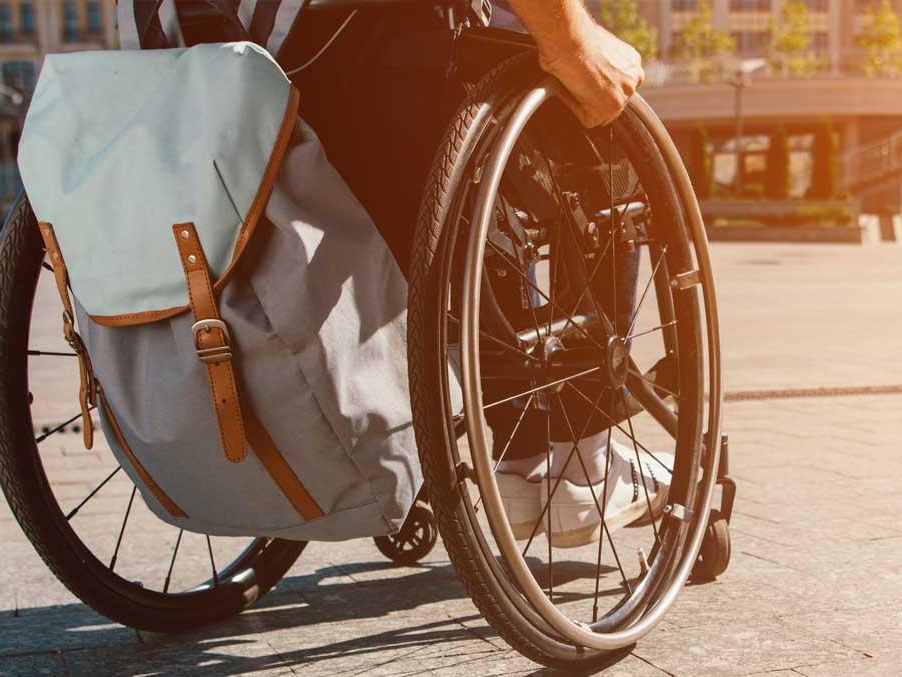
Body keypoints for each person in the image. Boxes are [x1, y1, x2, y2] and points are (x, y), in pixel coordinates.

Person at [116, 0, 667, 546]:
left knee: (451, 192)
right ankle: (584, 457)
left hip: (203, 54)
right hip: (367, 49)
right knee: (600, 108)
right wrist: (575, 43)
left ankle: (519, 454)